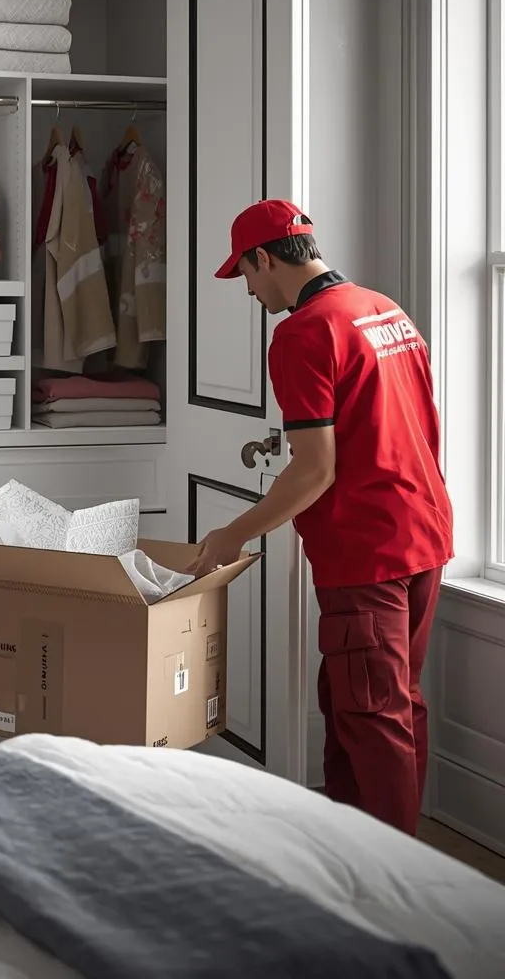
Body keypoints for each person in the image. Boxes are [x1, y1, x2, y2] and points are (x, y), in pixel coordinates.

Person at [189, 199, 453, 836]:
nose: (248, 290)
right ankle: (346, 848)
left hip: (367, 552)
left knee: (371, 713)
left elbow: (314, 470)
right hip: (423, 530)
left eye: (245, 274)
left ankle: (393, 873)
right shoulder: (384, 310)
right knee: (369, 701)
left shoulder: (303, 333)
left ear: (264, 258)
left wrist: (231, 534)